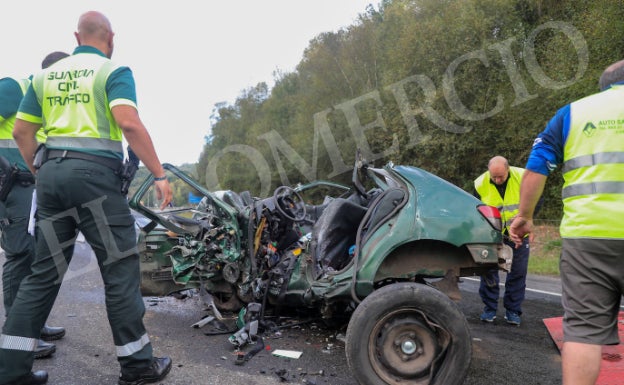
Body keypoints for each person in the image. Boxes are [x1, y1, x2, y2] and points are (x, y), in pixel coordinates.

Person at [0, 11, 173, 385]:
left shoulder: (43, 77)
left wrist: (38, 172)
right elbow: (127, 122)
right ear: (111, 38)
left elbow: (22, 131)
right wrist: (159, 173)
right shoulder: (112, 72)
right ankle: (137, 366)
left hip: (51, 179)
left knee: (41, 276)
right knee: (119, 268)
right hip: (95, 180)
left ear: (76, 37)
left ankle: (11, 371)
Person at [509, 59, 624, 385]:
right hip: (590, 237)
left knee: (584, 332)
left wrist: (525, 217)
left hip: (588, 238)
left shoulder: (574, 113)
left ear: (604, 86)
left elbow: (535, 169)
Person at [0, 51, 70, 361]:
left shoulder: (49, 107)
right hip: (12, 188)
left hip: (35, 190)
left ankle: (31, 325)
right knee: (20, 255)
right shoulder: (15, 88)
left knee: (38, 256)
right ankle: (17, 338)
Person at [474, 155, 540, 326]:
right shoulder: (480, 183)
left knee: (517, 272)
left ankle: (512, 311)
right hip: (491, 233)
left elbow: (537, 199)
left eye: (500, 176)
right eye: (493, 177)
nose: (497, 180)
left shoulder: (524, 177)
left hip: (519, 232)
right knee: (488, 270)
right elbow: (476, 208)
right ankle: (489, 309)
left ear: (508, 169)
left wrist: (528, 218)